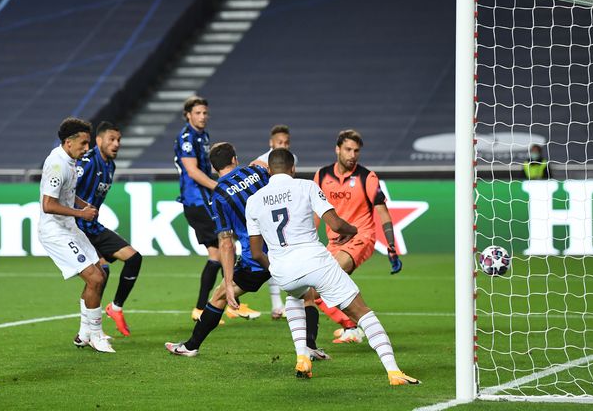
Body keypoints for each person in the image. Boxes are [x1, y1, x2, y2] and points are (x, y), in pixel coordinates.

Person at [246, 149, 419, 385]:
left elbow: (256, 252)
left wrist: (276, 267)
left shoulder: (253, 200)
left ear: (268, 170)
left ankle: (302, 357)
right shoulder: (306, 186)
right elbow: (335, 225)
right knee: (361, 311)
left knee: (295, 297)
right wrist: (355, 231)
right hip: (316, 262)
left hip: (283, 270)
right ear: (293, 169)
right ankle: (393, 371)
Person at [173, 96, 259, 322]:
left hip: (204, 200)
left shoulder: (203, 136)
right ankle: (211, 307)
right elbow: (192, 171)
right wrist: (222, 187)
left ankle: (219, 305)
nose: (202, 117)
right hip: (196, 202)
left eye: (205, 113)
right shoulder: (187, 138)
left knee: (219, 255)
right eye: (198, 113)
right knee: (221, 251)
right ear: (188, 115)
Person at [313, 129, 403, 344]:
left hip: (361, 237)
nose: (352, 155)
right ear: (337, 149)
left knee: (326, 278)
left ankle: (356, 327)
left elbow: (382, 211)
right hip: (334, 242)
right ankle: (350, 326)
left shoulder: (367, 177)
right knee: (311, 292)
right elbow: (316, 212)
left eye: (356, 151)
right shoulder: (322, 175)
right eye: (348, 150)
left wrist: (391, 245)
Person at [38, 117, 114, 353]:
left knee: (100, 273)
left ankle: (84, 334)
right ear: (68, 142)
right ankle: (96, 335)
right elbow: (48, 204)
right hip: (55, 231)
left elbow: (68, 195)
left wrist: (84, 206)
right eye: (82, 143)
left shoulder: (70, 160)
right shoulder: (57, 165)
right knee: (95, 278)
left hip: (68, 226)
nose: (86, 148)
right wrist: (80, 213)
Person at [75, 121, 142, 337]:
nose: (116, 144)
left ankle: (116, 307)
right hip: (77, 228)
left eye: (119, 140)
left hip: (93, 227)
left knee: (134, 258)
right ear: (99, 140)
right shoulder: (87, 162)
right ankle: (86, 332)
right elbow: (66, 192)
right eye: (111, 139)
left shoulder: (110, 165)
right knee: (100, 273)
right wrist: (81, 209)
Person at [250, 125, 298, 320]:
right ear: (271, 143)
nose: (284, 146)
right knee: (272, 257)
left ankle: (281, 304)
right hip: (267, 213)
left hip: (281, 213)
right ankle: (278, 304)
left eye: (286, 143)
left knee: (280, 257)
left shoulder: (291, 159)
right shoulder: (260, 162)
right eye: (280, 143)